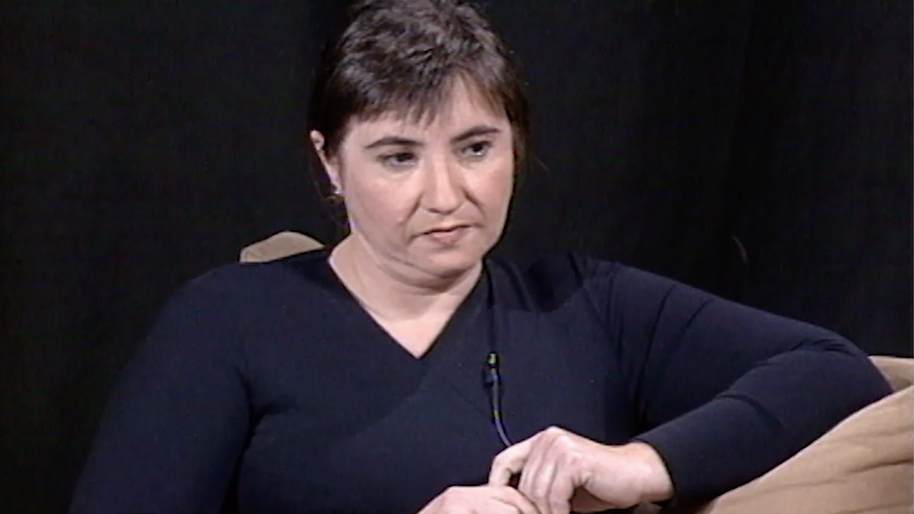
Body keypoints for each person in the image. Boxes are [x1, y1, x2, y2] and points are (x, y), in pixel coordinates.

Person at [69, 0, 891, 513]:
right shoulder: (229, 321)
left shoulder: (586, 305)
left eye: (474, 148)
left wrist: (644, 464)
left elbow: (836, 373)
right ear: (330, 162)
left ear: (515, 145)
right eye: (398, 157)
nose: (446, 194)